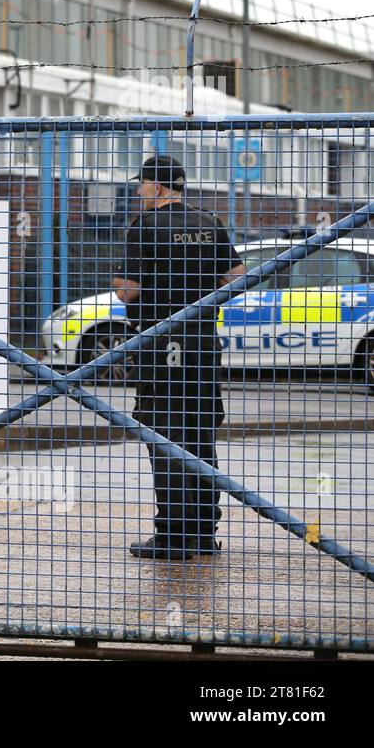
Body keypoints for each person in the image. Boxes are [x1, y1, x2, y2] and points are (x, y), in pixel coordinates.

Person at [111, 154, 246, 561]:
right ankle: (204, 532)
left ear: (160, 186)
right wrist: (200, 296)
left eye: (143, 184)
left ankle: (172, 535)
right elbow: (237, 276)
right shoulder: (209, 223)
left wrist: (130, 282)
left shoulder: (146, 227)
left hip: (160, 344)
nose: (139, 191)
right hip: (203, 345)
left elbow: (127, 290)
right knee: (201, 435)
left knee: (164, 436)